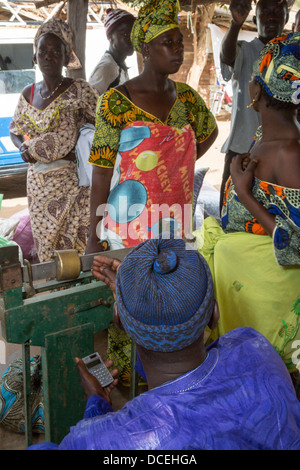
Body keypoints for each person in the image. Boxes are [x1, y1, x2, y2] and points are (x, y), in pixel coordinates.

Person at [26, 235, 300, 450]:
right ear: (214, 315)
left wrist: (96, 404)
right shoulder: (254, 347)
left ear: (117, 322)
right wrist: (141, 298)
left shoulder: (98, 439)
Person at [85, 0, 217, 385]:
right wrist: (94, 241)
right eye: (168, 42)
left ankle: (176, 383)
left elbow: (204, 137)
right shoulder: (115, 103)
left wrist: (177, 162)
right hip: (130, 228)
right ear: (145, 48)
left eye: (179, 42)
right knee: (133, 305)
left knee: (177, 303)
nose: (178, 49)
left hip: (176, 222)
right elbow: (100, 176)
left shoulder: (189, 100)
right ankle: (134, 387)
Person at [194, 32, 300, 374]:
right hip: (245, 300)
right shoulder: (261, 138)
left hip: (271, 305)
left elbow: (297, 244)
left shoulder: (289, 153)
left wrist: (244, 196)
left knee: (273, 384)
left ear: (256, 91)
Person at [9, 18, 99, 262]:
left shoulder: (80, 89)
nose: (48, 56)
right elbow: (15, 130)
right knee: (48, 248)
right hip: (38, 185)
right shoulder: (27, 93)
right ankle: (53, 289)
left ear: (65, 56)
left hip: (72, 183)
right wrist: (21, 149)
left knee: (77, 245)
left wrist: (81, 151)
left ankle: (79, 293)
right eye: (43, 51)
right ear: (35, 56)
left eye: (55, 51)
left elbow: (103, 125)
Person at [219, 0, 289, 211]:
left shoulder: (292, 54)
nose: (271, 16)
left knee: (278, 217)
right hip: (242, 151)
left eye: (278, 12)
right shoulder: (244, 50)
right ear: (255, 18)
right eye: (265, 11)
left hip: (282, 153)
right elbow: (227, 57)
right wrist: (235, 24)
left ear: (286, 19)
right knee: (230, 213)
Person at [88, 8, 136, 94]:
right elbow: (91, 103)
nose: (131, 39)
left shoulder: (119, 64)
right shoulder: (106, 68)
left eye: (134, 34)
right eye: (125, 34)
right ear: (110, 37)